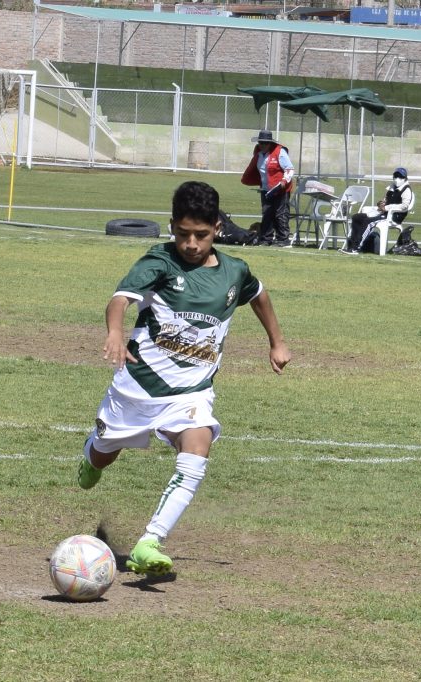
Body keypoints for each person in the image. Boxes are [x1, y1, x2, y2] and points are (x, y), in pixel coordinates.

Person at [78, 180, 290, 576]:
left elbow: (259, 295)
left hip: (191, 393)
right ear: (172, 226)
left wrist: (277, 342)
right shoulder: (158, 263)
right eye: (182, 233)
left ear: (218, 229)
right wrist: (113, 332)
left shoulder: (234, 272)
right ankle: (92, 453)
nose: (191, 244)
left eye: (201, 235)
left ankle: (149, 542)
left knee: (197, 449)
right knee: (105, 453)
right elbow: (120, 299)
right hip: (137, 388)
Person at [340, 167, 415, 255]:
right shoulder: (392, 187)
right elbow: (385, 200)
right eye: (395, 176)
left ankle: (356, 248)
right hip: (383, 213)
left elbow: (404, 206)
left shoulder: (406, 189)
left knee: (368, 222)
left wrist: (387, 208)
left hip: (394, 216)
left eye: (400, 176)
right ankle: (351, 245)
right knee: (357, 217)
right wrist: (381, 203)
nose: (397, 179)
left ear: (405, 178)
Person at [241, 129, 294, 247]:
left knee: (281, 214)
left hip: (280, 189)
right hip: (266, 189)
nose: (263, 145)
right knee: (267, 214)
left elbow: (289, 169)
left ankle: (283, 240)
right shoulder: (259, 154)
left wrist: (284, 181)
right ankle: (266, 239)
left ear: (270, 143)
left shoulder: (280, 152)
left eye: (266, 143)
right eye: (261, 143)